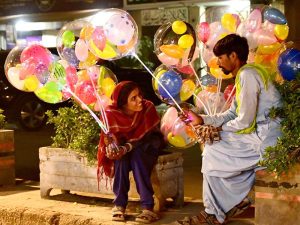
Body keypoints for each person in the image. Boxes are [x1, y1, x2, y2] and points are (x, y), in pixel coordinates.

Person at [178, 34, 282, 224]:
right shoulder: (246, 74)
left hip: (266, 140)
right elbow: (232, 114)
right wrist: (201, 119)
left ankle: (214, 211)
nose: (217, 63)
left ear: (233, 56)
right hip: (257, 135)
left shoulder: (247, 75)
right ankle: (221, 207)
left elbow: (243, 121)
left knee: (211, 149)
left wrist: (215, 131)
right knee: (212, 148)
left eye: (220, 57)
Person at [97, 81, 165, 223]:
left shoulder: (148, 108)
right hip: (125, 149)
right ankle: (119, 205)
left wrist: (125, 148)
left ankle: (148, 207)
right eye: (133, 98)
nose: (140, 99)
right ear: (122, 103)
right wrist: (112, 149)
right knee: (122, 159)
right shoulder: (111, 113)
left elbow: (144, 138)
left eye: (139, 95)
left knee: (136, 156)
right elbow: (110, 139)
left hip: (148, 145)